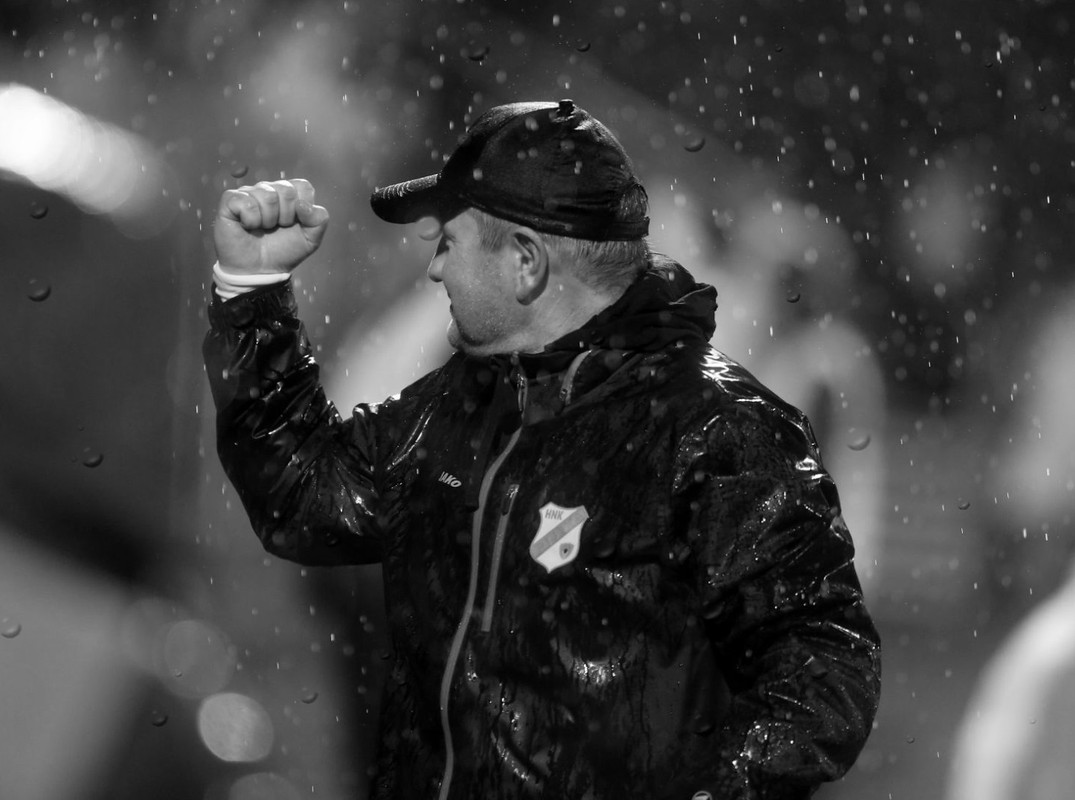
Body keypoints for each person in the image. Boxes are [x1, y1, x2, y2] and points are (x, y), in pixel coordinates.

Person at [203, 99, 881, 800]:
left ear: (526, 262)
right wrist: (253, 291)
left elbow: (824, 666)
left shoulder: (718, 429)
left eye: (450, 243)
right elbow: (305, 498)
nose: (434, 269)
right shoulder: (463, 402)